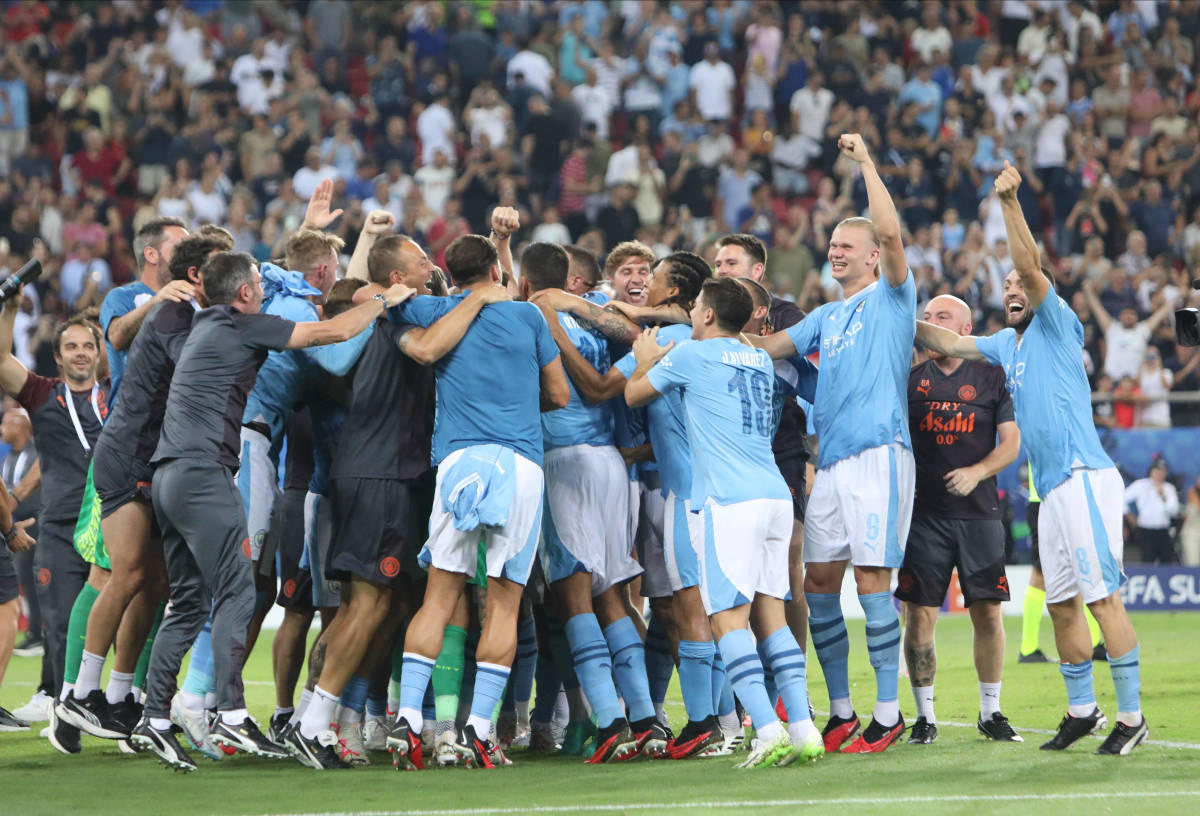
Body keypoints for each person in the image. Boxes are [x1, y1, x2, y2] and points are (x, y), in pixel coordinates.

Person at [130, 252, 415, 772]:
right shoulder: (243, 326)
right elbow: (327, 336)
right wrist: (381, 299)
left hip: (167, 474)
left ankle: (155, 716)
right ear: (243, 294)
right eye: (259, 283)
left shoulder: (203, 326)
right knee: (238, 588)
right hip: (202, 472)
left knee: (191, 600)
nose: (263, 288)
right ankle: (233, 713)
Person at [915, 162, 1147, 756]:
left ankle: (1131, 716)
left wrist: (1011, 203)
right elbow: (942, 340)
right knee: (1064, 603)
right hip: (1051, 489)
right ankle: (1081, 710)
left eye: (1022, 287)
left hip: (1084, 478)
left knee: (1102, 600)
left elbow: (1029, 266)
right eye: (1007, 291)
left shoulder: (1056, 323)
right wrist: (883, 313)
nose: (1013, 292)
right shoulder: (1002, 344)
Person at [286, 236, 514, 770]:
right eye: (419, 262)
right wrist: (479, 294)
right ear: (394, 277)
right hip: (379, 472)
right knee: (369, 604)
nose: (430, 267)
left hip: (388, 472)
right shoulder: (393, 316)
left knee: (376, 604)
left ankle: (315, 718)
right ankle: (316, 720)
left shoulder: (398, 310)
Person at [750, 133, 916, 754]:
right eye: (832, 245)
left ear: (874, 256)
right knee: (818, 581)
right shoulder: (826, 314)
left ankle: (888, 712)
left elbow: (894, 234)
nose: (835, 251)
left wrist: (868, 163)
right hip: (834, 463)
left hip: (880, 454)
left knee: (873, 580)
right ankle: (842, 711)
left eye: (847, 245)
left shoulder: (894, 297)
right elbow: (769, 350)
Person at [386, 234, 569, 771]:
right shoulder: (529, 318)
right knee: (506, 603)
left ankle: (409, 722)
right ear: (495, 268)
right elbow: (558, 395)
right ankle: (481, 732)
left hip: (459, 462)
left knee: (440, 595)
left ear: (448, 271)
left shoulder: (434, 308)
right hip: (519, 464)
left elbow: (373, 295)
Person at [625, 277, 821, 768]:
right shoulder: (757, 355)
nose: (691, 315)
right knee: (771, 614)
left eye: (695, 309)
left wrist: (646, 356)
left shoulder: (691, 357)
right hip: (774, 493)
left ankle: (767, 728)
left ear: (709, 315)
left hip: (728, 502)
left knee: (727, 620)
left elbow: (633, 394)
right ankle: (803, 729)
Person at [56, 234, 225, 747]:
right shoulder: (172, 313)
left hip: (156, 458)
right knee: (123, 573)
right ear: (196, 275)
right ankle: (80, 693)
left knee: (154, 584)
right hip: (128, 451)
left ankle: (120, 697)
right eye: (221, 267)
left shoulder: (195, 315)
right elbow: (128, 341)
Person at [898, 294, 1022, 745]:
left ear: (965, 329)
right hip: (924, 516)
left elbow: (1010, 444)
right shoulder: (909, 381)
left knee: (988, 613)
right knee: (919, 615)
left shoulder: (992, 377)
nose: (930, 324)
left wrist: (977, 472)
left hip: (980, 515)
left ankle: (991, 711)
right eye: (926, 317)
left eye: (941, 317)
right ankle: (924, 717)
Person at [0, 294, 108, 756]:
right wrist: (9, 311)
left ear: (100, 355)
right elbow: (0, 360)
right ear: (59, 356)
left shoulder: (119, 393)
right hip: (61, 529)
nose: (81, 352)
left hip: (114, 525)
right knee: (61, 623)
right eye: (72, 347)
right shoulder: (43, 393)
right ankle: (67, 711)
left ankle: (127, 705)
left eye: (88, 346)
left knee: (127, 621)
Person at [1124, 461, 1179, 564]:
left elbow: (1174, 511)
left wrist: (1162, 496)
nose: (1159, 474)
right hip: (1146, 531)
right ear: (1151, 472)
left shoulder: (1169, 488)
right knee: (1147, 560)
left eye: (1161, 471)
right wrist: (1128, 515)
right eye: (1156, 471)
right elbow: (1122, 499)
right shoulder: (1141, 485)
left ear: (1165, 473)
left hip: (1163, 531)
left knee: (1167, 562)